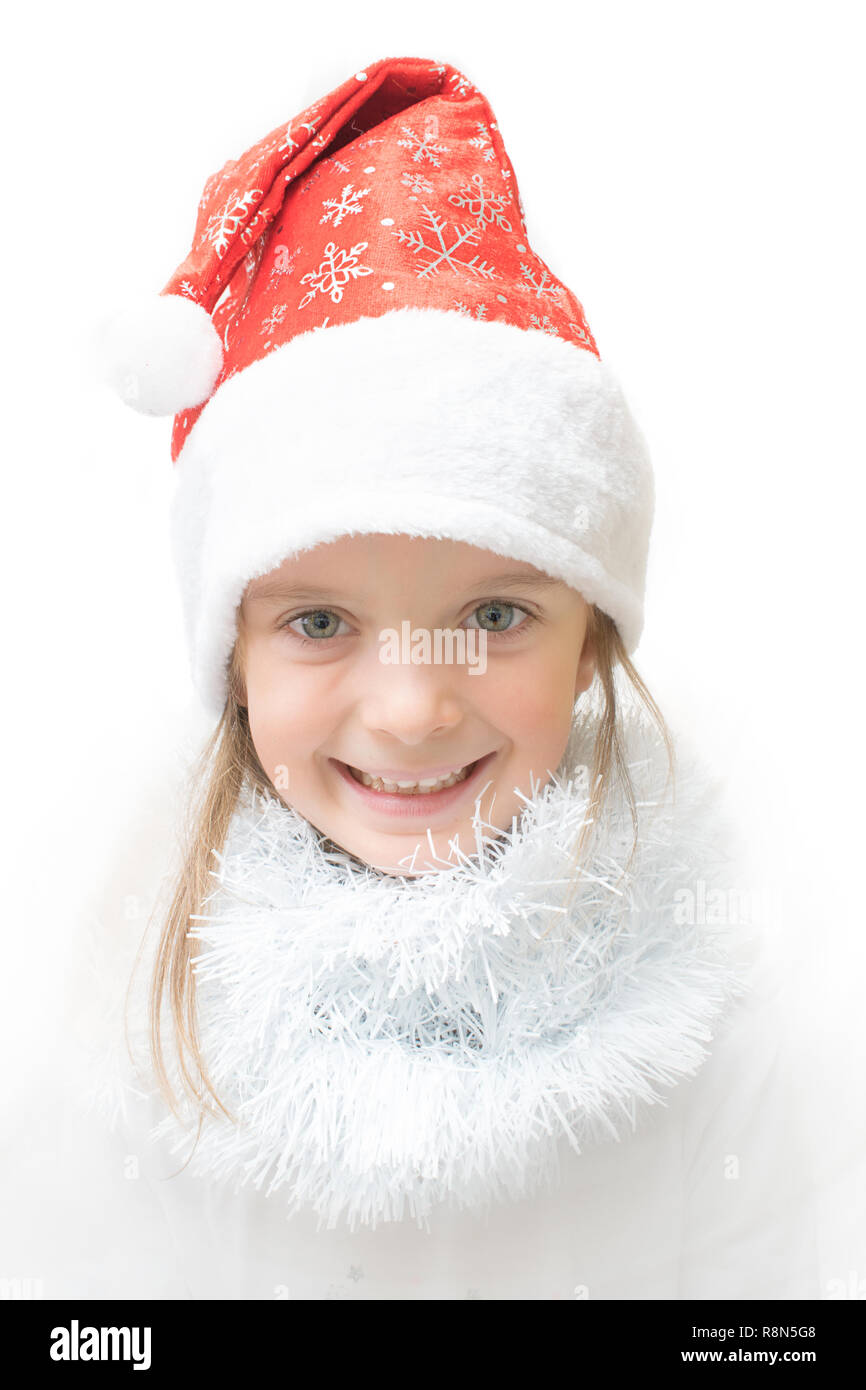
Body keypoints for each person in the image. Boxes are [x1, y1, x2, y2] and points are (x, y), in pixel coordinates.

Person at [72, 52, 817, 1298]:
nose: (413, 706)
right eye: (317, 623)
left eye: (491, 612)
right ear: (233, 658)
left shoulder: (728, 1024)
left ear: (591, 640)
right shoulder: (122, 1029)